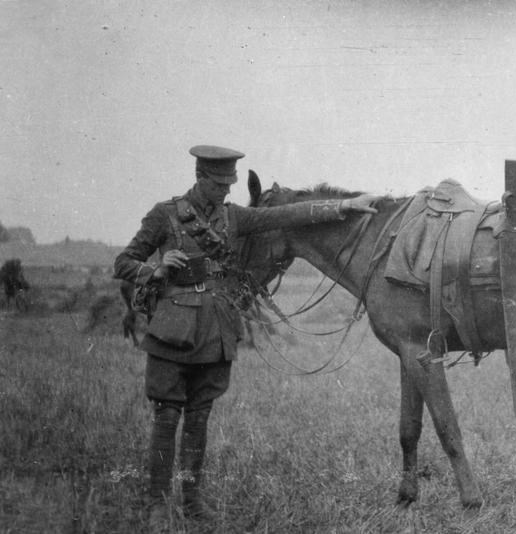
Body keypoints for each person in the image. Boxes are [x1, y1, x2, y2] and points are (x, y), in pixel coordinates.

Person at [114, 145, 379, 530]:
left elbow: (285, 214)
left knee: (199, 417)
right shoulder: (164, 215)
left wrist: (346, 206)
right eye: (219, 183)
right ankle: (157, 504)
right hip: (172, 329)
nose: (225, 190)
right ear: (200, 177)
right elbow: (123, 262)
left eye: (230, 183)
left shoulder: (233, 217)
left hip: (215, 328)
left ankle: (190, 499)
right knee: (167, 415)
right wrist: (154, 271)